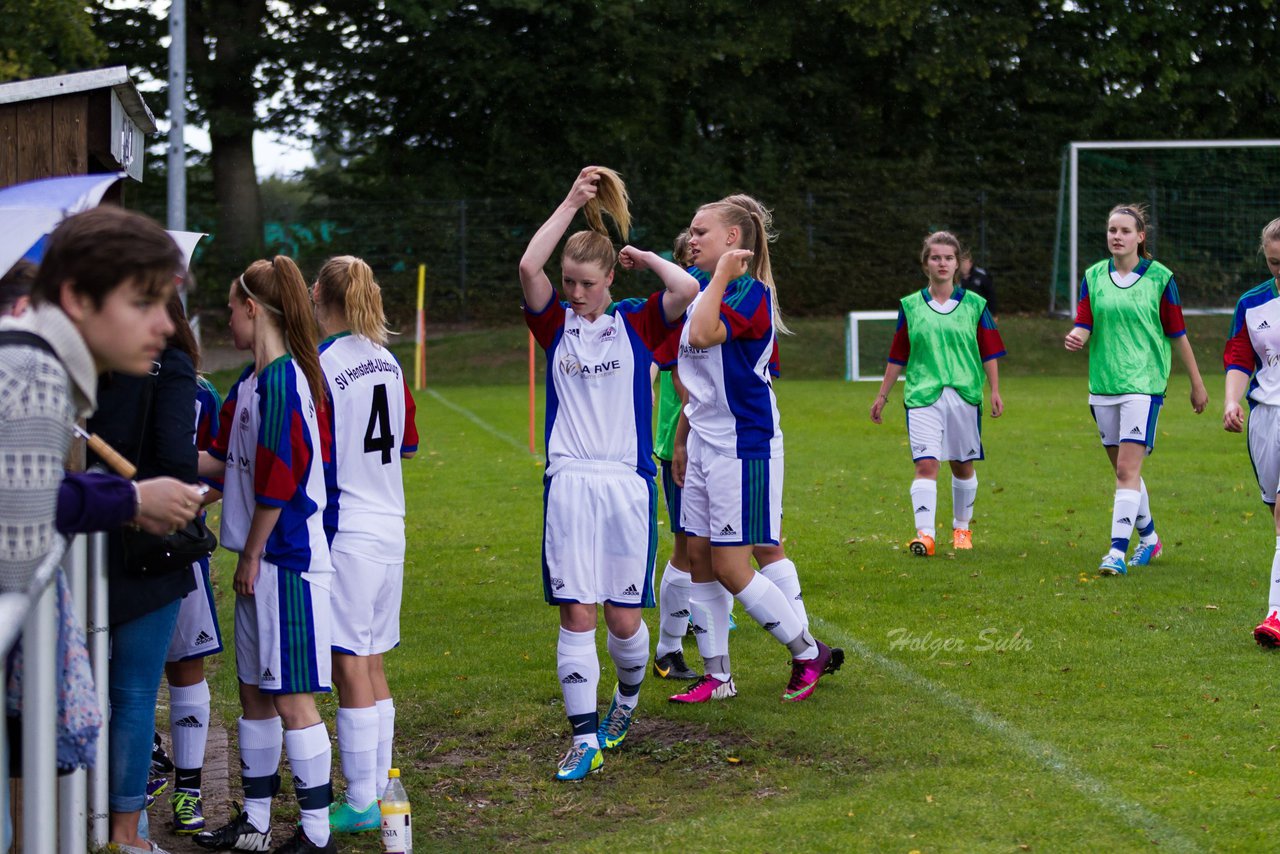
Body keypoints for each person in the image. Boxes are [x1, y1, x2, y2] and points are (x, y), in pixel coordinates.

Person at [0, 207, 203, 854]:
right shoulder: (31, 375)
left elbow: (27, 498)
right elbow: (15, 554)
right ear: (76, 298)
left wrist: (128, 498)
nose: (165, 325)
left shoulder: (35, 366)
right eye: (143, 302)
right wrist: (128, 499)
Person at [519, 166, 697, 781]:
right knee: (577, 613)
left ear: (609, 279)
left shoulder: (637, 322)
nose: (574, 292)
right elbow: (526, 268)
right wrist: (571, 201)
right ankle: (583, 737)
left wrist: (644, 256)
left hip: (627, 482)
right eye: (568, 281)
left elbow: (688, 292)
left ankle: (624, 701)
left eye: (586, 283)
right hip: (569, 479)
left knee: (624, 621)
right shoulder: (554, 326)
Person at [669, 197, 843, 706]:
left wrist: (723, 272)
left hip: (742, 445)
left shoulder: (750, 294)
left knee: (730, 564)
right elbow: (693, 368)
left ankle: (807, 650)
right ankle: (718, 676)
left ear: (731, 240)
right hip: (704, 441)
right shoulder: (703, 288)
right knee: (698, 555)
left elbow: (702, 333)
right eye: (691, 228)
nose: (692, 237)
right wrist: (682, 439)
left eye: (702, 230)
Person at [196, 257, 336, 854]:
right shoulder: (247, 387)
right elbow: (220, 463)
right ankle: (254, 823)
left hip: (287, 562)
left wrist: (251, 554)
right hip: (260, 562)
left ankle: (317, 833)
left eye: (231, 307)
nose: (228, 318)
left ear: (253, 309)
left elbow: (281, 479)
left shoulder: (284, 380)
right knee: (253, 692)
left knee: (292, 696)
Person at [312, 255, 418, 831]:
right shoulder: (389, 361)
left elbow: (318, 455)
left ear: (320, 297)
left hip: (347, 529)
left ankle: (357, 800)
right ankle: (378, 789)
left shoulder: (321, 364)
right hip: (390, 524)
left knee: (349, 662)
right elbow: (407, 441)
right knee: (371, 660)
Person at [1064, 203, 1208, 576]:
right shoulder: (1094, 275)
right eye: (1112, 230)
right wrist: (1077, 336)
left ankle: (1115, 552)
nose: (1117, 236)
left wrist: (1197, 384)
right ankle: (1150, 538)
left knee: (1127, 470)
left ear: (1140, 237)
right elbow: (1085, 320)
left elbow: (1178, 335)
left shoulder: (1160, 278)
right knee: (1124, 471)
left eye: (1125, 231)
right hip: (1103, 385)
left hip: (1143, 386)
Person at [870, 231, 1006, 555]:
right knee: (926, 464)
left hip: (964, 394)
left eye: (948, 258)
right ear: (925, 263)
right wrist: (882, 395)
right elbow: (898, 354)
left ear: (958, 263)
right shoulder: (911, 306)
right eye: (936, 257)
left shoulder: (975, 305)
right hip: (921, 395)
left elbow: (989, 350)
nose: (942, 263)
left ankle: (962, 529)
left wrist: (996, 390)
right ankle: (925, 535)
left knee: (962, 464)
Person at [159, 294, 225, 836]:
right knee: (123, 675)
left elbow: (225, 469)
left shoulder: (201, 393)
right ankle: (136, 774)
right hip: (115, 548)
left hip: (180, 548)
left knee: (186, 664)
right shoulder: (108, 386)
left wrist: (183, 503)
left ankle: (188, 791)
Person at [1222, 217, 1280, 645]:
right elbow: (1240, 357)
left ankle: (1276, 615)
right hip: (1265, 417)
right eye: (1276, 263)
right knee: (1275, 514)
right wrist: (1231, 400)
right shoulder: (1253, 303)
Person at [958, 249, 997, 316]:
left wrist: (993, 313)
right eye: (960, 262)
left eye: (964, 262)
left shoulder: (981, 276)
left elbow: (991, 295)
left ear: (970, 263)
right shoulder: (954, 278)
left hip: (981, 313)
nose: (962, 265)